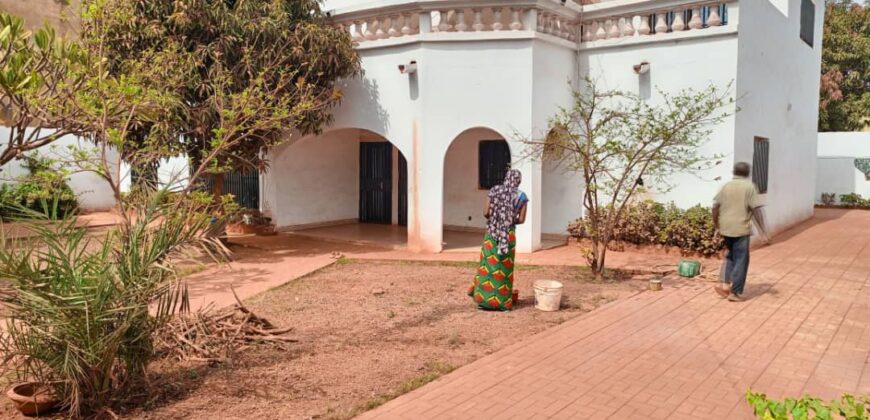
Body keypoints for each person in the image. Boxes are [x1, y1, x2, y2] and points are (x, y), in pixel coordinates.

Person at [468, 169, 528, 311]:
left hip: (492, 235)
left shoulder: (495, 190)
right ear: (518, 181)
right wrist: (508, 221)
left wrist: (497, 220)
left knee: (487, 266)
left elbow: (486, 212)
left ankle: (483, 301)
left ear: (506, 178)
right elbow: (521, 219)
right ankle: (503, 303)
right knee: (504, 268)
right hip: (508, 235)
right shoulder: (522, 196)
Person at [712, 162, 771, 302]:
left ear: (734, 172)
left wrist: (717, 226)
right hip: (740, 228)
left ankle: (725, 285)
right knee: (741, 259)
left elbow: (715, 207)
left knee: (731, 256)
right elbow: (756, 210)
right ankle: (735, 292)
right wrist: (763, 231)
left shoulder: (725, 186)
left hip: (726, 228)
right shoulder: (749, 187)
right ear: (748, 173)